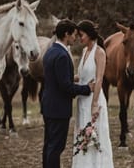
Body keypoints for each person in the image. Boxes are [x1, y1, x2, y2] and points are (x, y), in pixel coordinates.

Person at [42, 19, 94, 168]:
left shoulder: (50, 51)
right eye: (73, 35)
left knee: (49, 145)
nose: (75, 38)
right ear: (66, 34)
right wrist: (87, 88)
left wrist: (71, 78)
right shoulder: (63, 56)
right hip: (58, 109)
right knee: (56, 147)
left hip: (48, 105)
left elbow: (55, 78)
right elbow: (66, 87)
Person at [72, 20, 114, 168]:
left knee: (95, 137)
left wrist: (95, 104)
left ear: (89, 34)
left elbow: (99, 79)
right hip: (82, 100)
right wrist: (65, 78)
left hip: (94, 99)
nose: (79, 38)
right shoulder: (84, 51)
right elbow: (81, 77)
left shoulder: (99, 52)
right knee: (82, 136)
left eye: (81, 35)